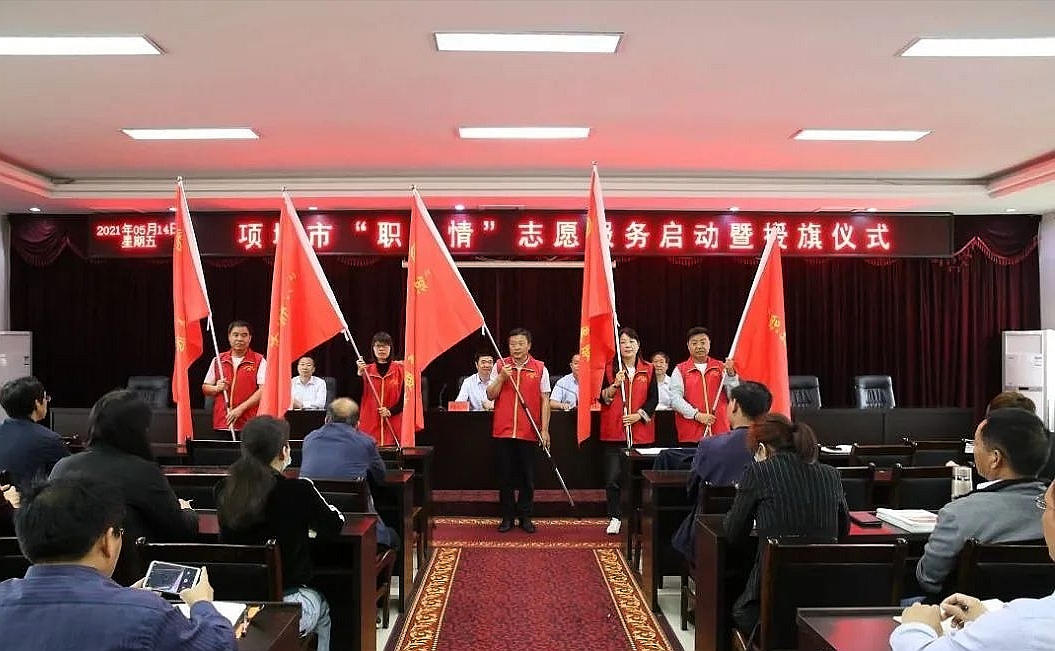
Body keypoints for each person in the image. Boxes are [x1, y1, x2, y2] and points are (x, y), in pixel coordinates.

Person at [0, 474, 235, 651]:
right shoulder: (148, 613)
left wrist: (123, 598)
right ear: (106, 541)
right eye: (119, 533)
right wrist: (201, 604)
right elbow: (220, 645)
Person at [216, 416, 345, 651]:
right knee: (324, 608)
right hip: (285, 602)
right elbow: (334, 525)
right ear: (283, 451)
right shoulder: (298, 489)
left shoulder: (224, 489)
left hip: (236, 603)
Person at [49, 390, 198, 584]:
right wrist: (187, 511)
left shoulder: (62, 467)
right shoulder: (143, 472)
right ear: (137, 430)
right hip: (133, 582)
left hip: (63, 580)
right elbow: (181, 530)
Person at [891, 478, 1055, 651]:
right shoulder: (1019, 625)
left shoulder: (1021, 625)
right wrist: (990, 624)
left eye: (1044, 505)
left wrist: (917, 627)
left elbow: (928, 580)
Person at [723, 414, 849, 636]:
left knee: (737, 605)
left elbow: (733, 531)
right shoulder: (831, 474)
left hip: (771, 603)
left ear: (761, 449)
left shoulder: (759, 472)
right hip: (823, 601)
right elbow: (843, 530)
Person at [915, 408, 1050, 596]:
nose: (973, 450)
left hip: (969, 613)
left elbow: (929, 580)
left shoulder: (957, 514)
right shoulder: (1050, 512)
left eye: (976, 444)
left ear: (995, 458)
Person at [671, 381, 773, 563]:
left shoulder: (709, 445)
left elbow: (692, 490)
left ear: (735, 406)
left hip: (713, 540)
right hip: (765, 541)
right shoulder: (777, 447)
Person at [300, 397, 400, 549]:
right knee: (394, 537)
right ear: (357, 424)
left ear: (326, 419)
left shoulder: (309, 439)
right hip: (357, 529)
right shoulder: (365, 442)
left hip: (313, 528)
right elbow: (381, 477)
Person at [486, 327, 551, 534]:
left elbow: (545, 400)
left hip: (528, 430)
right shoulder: (500, 365)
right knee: (505, 477)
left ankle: (525, 516)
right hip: (503, 431)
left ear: (529, 345)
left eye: (521, 343)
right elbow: (490, 395)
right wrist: (501, 378)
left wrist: (545, 430)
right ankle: (507, 517)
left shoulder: (539, 368)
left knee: (527, 478)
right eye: (513, 344)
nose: (516, 347)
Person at [598, 328, 658, 535]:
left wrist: (638, 415)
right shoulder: (608, 369)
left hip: (641, 434)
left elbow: (654, 399)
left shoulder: (649, 369)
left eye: (632, 341)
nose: (628, 345)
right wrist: (615, 384)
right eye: (623, 342)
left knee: (640, 479)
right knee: (613, 479)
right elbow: (602, 398)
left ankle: (640, 517)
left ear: (638, 345)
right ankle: (615, 517)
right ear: (618, 346)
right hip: (614, 432)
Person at [669, 327, 739, 443]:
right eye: (694, 343)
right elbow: (675, 399)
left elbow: (733, 396)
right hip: (691, 432)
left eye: (703, 342)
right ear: (688, 346)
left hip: (720, 430)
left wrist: (731, 375)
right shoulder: (680, 369)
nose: (699, 346)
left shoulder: (722, 367)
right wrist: (697, 415)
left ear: (709, 343)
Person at [0, 376, 68, 490]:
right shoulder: (50, 440)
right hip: (32, 500)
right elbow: (68, 480)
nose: (46, 402)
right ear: (37, 403)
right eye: (45, 398)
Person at [202, 320, 266, 434]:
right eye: (235, 335)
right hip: (223, 421)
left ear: (250, 338)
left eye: (244, 335)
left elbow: (263, 390)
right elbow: (205, 388)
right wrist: (216, 388)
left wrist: (240, 409)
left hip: (249, 422)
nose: (240, 339)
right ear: (229, 337)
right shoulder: (218, 360)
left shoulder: (259, 360)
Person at [355, 332, 404, 446]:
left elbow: (406, 397)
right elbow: (356, 396)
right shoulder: (366, 370)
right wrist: (359, 373)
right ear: (373, 348)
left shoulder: (400, 370)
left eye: (385, 346)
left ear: (391, 348)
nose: (381, 349)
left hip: (393, 422)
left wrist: (391, 411)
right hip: (369, 423)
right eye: (378, 346)